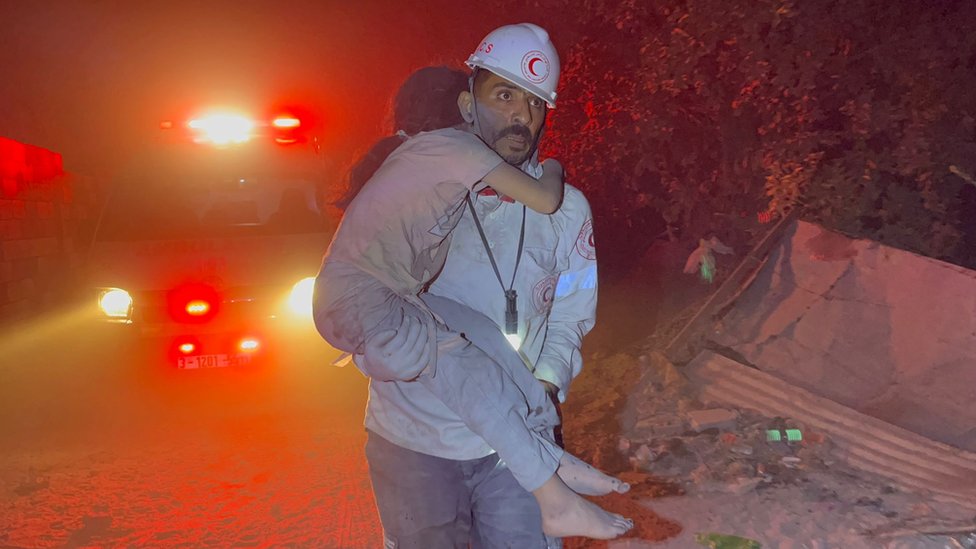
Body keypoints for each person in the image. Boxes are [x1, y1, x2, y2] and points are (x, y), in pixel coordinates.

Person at [312, 24, 632, 545]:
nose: (519, 116)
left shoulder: (570, 211)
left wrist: (546, 385)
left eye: (534, 104)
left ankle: (550, 468)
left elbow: (573, 312)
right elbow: (369, 286)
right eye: (503, 95)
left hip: (520, 438)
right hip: (414, 439)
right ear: (467, 104)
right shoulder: (429, 189)